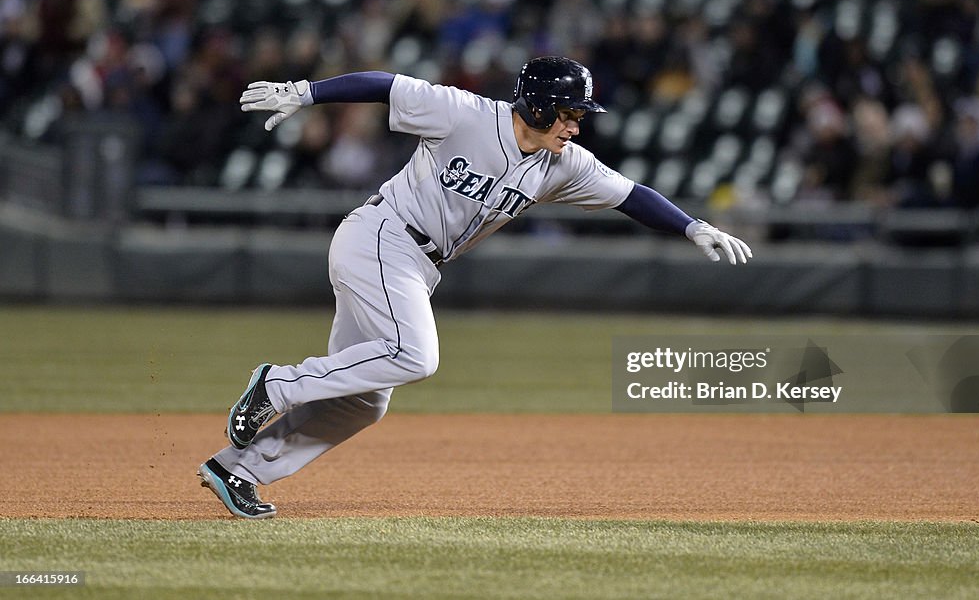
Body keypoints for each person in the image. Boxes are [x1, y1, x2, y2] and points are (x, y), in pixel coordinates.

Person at [197, 56, 753, 518]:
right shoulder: (464, 114)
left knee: (363, 403)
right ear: (535, 107)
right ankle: (275, 384)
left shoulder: (564, 165)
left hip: (417, 266)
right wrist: (306, 92)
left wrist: (692, 226)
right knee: (414, 355)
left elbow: (632, 196)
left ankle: (234, 470)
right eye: (568, 113)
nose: (576, 125)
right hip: (382, 235)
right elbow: (384, 85)